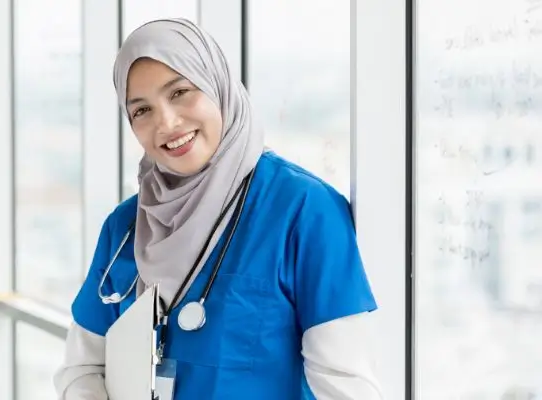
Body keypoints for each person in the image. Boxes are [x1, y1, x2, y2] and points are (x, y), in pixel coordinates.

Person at [53, 18, 383, 399]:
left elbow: (345, 388)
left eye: (179, 92)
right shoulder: (126, 226)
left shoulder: (304, 210)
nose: (167, 122)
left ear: (218, 86)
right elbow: (82, 368)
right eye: (141, 110)